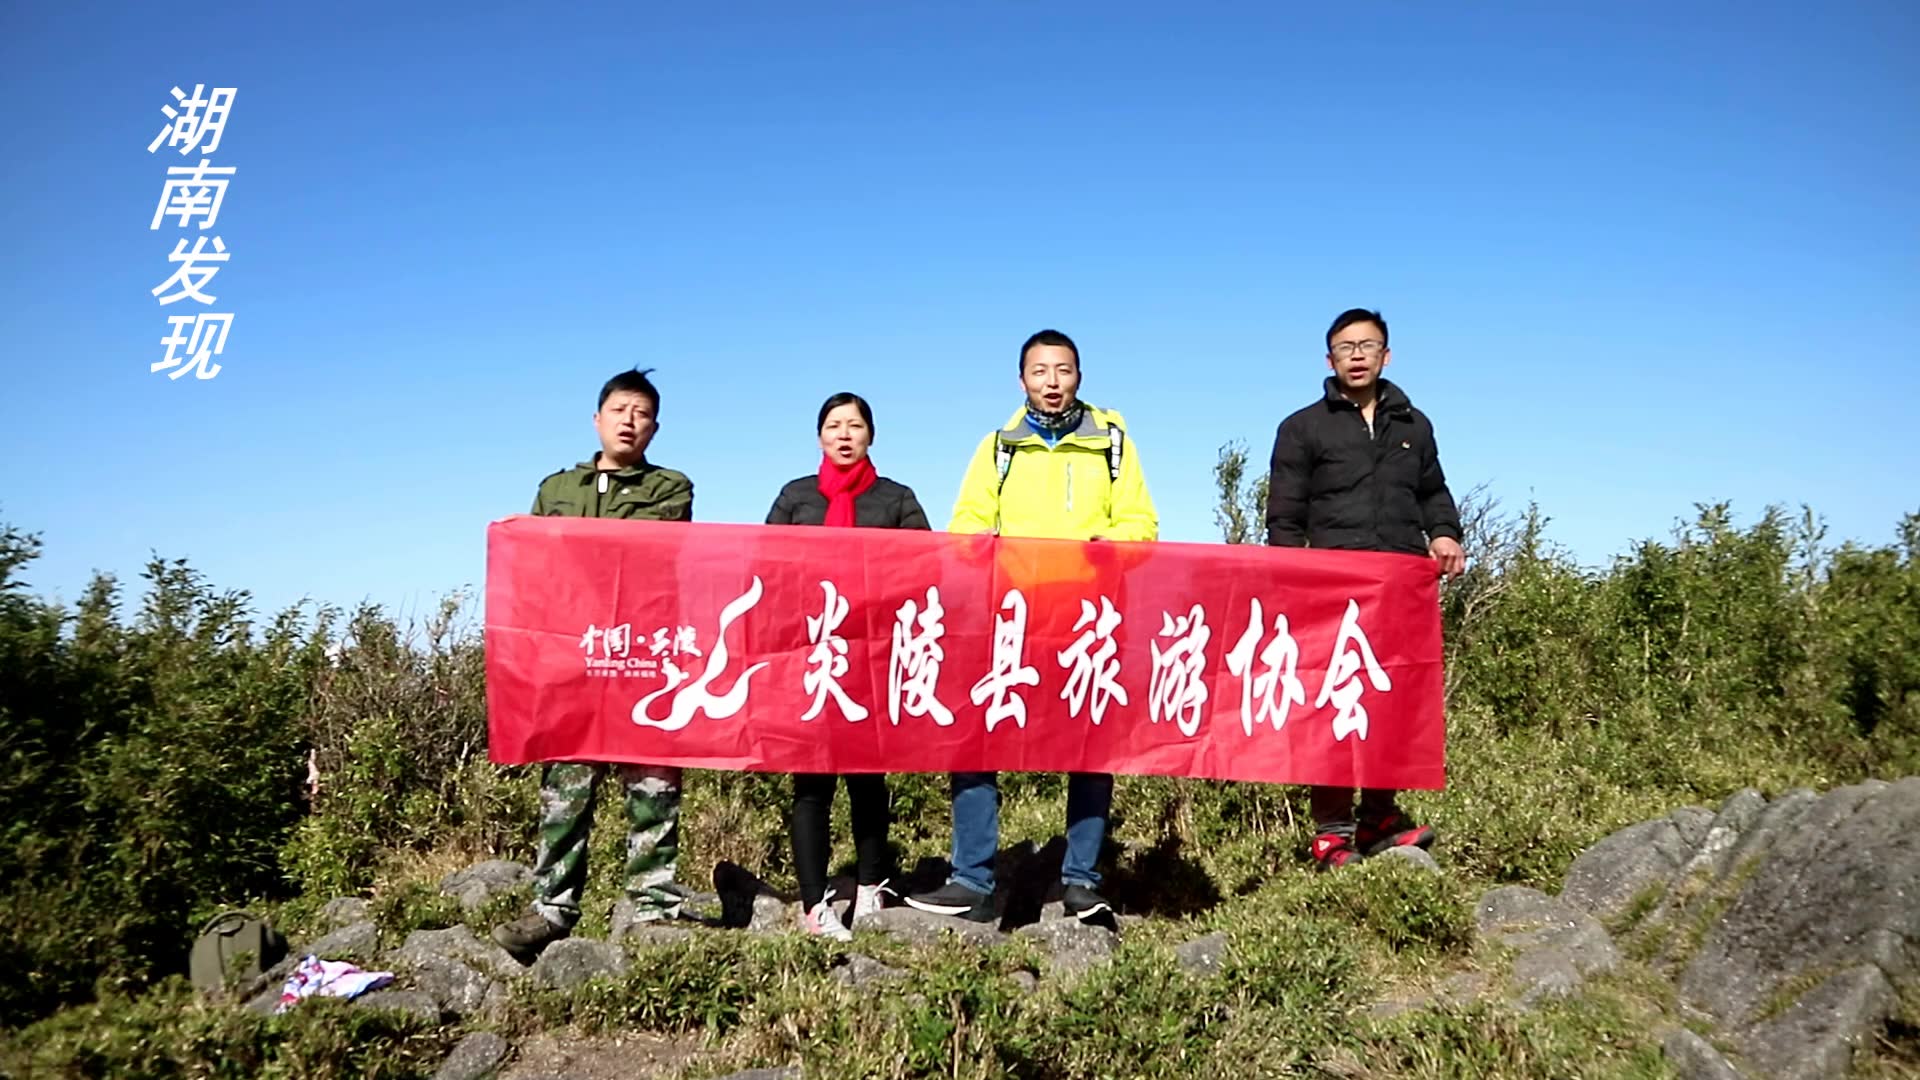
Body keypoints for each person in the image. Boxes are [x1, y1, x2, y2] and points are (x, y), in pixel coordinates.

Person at [905, 329, 1158, 924]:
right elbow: (966, 521)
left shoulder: (1113, 443)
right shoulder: (999, 446)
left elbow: (1142, 526)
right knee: (976, 738)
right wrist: (977, 544)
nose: (1051, 381)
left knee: (1091, 748)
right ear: (1021, 380)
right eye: (1040, 371)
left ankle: (1081, 881)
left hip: (1090, 617)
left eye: (1063, 370)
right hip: (1011, 617)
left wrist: (1108, 544)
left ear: (1079, 377)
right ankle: (972, 878)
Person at [493, 368, 698, 959]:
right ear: (597, 419)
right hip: (570, 657)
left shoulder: (670, 488)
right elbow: (535, 567)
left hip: (642, 654)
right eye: (619, 410)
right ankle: (552, 908)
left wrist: (573, 548)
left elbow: (641, 553)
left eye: (641, 413)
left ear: (654, 427)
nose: (629, 421)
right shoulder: (556, 487)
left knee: (653, 782)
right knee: (566, 786)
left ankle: (653, 906)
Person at [1265, 309, 1465, 869]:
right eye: (1345, 347)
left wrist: (1445, 533)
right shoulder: (1303, 427)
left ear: (1386, 355)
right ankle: (1332, 833)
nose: (1357, 355)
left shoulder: (1413, 424)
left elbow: (1434, 491)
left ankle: (1380, 818)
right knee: (1333, 706)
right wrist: (1290, 579)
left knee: (1390, 701)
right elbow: (1284, 516)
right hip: (1331, 591)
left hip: (1400, 585)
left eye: (1367, 345)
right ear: (1329, 360)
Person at [765, 392, 931, 941]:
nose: (844, 434)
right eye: (834, 425)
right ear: (819, 437)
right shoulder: (797, 497)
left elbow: (924, 569)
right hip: (811, 657)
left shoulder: (895, 499)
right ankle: (815, 904)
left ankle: (870, 886)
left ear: (870, 436)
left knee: (867, 778)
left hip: (873, 657)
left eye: (854, 425)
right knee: (811, 785)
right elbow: (766, 565)